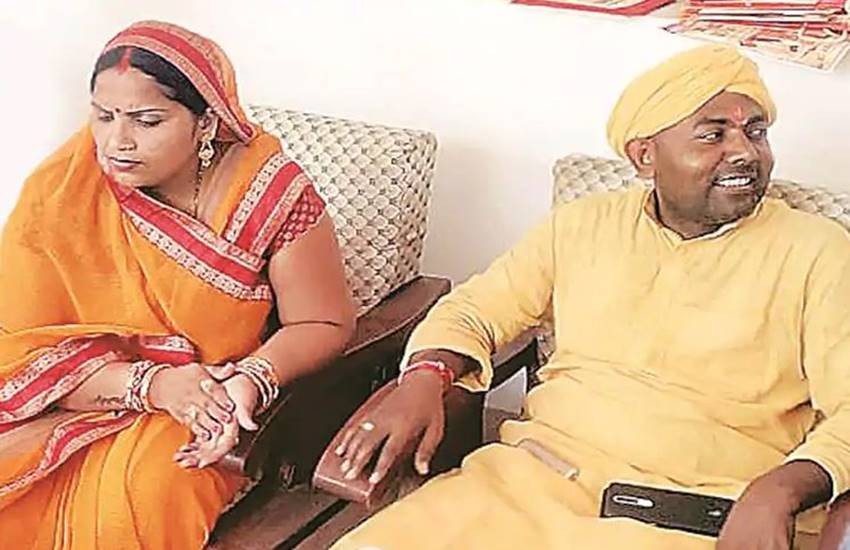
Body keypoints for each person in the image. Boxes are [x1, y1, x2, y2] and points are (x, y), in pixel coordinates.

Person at [330, 45, 850, 549]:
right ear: (645, 156)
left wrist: (780, 490)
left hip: (703, 511)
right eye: (713, 135)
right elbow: (475, 310)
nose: (745, 152)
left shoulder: (818, 251)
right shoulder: (582, 225)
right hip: (530, 481)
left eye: (756, 132)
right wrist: (425, 377)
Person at [0, 20, 355, 549]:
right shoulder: (63, 187)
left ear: (206, 122)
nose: (117, 142)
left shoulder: (270, 195)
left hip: (209, 397)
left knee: (145, 497)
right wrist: (148, 384)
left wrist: (251, 379)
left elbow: (323, 321)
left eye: (147, 121)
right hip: (80, 386)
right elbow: (17, 342)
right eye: (103, 116)